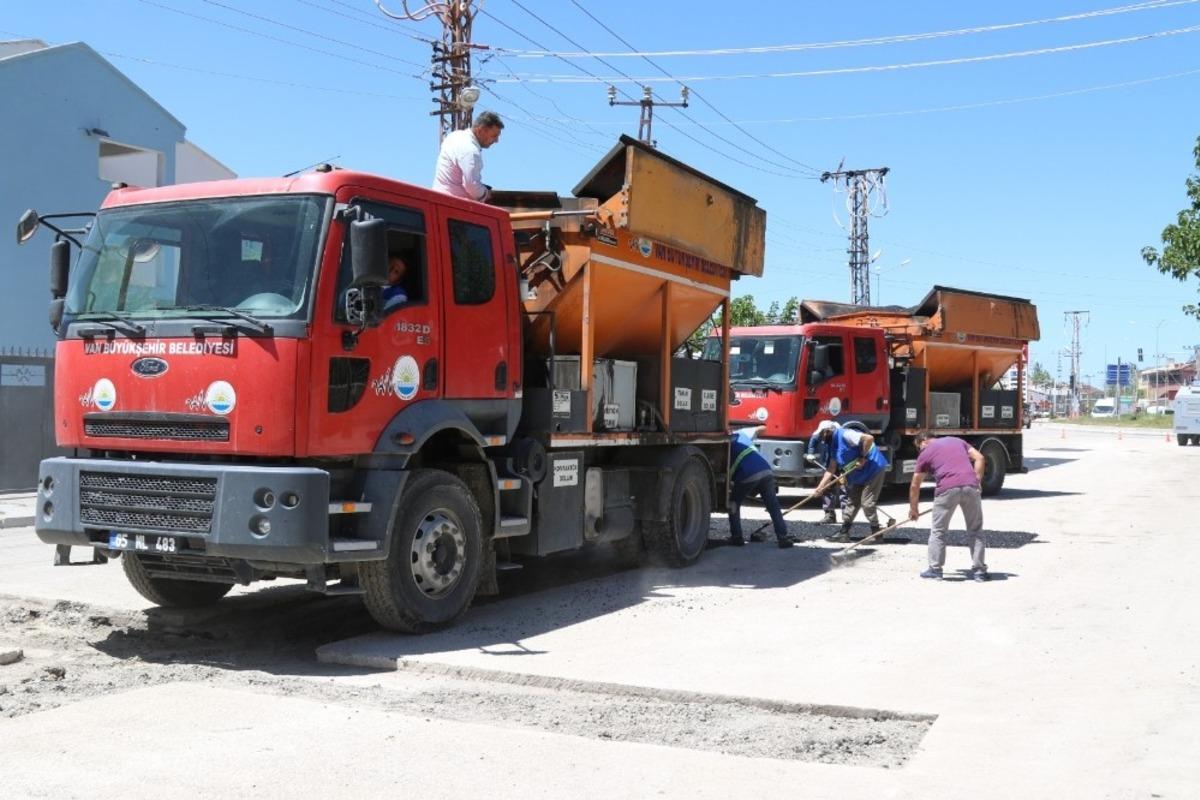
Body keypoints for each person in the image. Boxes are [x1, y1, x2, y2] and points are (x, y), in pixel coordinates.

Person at [908, 432, 988, 582]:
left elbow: (915, 484)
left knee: (939, 531)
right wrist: (976, 481)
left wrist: (914, 509)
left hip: (946, 489)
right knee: (975, 529)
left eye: (919, 447)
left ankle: (935, 569)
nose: (920, 450)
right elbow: (980, 458)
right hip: (971, 487)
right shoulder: (957, 440)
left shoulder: (926, 452)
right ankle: (979, 572)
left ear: (923, 441)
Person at [812, 419, 890, 543]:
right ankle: (844, 533)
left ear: (828, 431)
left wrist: (863, 457)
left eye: (822, 434)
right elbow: (831, 468)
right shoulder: (832, 445)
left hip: (873, 470)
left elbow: (868, 438)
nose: (821, 438)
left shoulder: (846, 434)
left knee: (867, 502)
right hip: (858, 475)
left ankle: (877, 534)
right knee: (852, 502)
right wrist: (820, 487)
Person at [727, 426, 795, 549]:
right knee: (773, 505)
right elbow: (761, 428)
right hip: (766, 470)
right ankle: (783, 538)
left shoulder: (725, 442)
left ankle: (737, 537)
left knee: (733, 503)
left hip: (748, 473)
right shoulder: (742, 433)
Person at [432, 111, 504, 202]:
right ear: (481, 130)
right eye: (494, 136)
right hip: (454, 205)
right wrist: (485, 194)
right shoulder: (471, 151)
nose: (496, 141)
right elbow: (471, 185)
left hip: (439, 198)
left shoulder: (454, 136)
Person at [807, 423, 848, 524]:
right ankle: (829, 515)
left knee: (845, 489)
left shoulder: (841, 437)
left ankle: (847, 517)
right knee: (827, 487)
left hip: (844, 465)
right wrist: (810, 453)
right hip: (831, 462)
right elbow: (814, 439)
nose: (822, 437)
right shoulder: (824, 433)